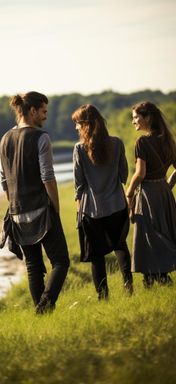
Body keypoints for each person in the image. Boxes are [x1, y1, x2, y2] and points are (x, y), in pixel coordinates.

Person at [0, 91, 69, 314]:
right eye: (43, 111)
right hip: (41, 210)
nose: (45, 116)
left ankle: (42, 313)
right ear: (32, 111)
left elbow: (3, 181)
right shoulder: (41, 137)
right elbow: (47, 176)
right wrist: (55, 208)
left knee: (33, 267)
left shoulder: (4, 139)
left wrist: (14, 206)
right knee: (61, 262)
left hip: (17, 213)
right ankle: (44, 307)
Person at [72, 104, 133, 300]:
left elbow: (79, 183)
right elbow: (124, 174)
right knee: (120, 245)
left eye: (77, 124)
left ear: (85, 124)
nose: (76, 128)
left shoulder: (79, 149)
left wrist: (78, 209)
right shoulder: (117, 143)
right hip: (117, 204)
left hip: (92, 209)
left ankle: (103, 296)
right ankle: (128, 285)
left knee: (96, 255)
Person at [126, 101, 176, 288]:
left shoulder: (143, 142)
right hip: (163, 193)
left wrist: (129, 193)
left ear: (148, 118)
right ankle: (156, 277)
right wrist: (167, 185)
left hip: (147, 194)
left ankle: (155, 278)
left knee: (148, 235)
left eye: (136, 117)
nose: (133, 122)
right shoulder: (168, 140)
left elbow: (140, 173)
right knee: (162, 233)